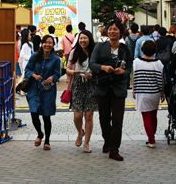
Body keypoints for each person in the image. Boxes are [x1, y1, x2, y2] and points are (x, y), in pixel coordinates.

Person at [89, 19, 132, 161]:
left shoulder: (125, 49)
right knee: (104, 118)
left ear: (121, 32)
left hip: (119, 88)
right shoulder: (100, 47)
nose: (112, 31)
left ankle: (114, 149)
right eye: (110, 29)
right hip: (103, 87)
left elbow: (129, 69)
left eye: (115, 29)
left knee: (118, 120)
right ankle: (107, 140)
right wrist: (103, 68)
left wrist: (123, 72)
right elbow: (92, 64)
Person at [24, 35, 61, 151]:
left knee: (46, 116)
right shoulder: (35, 56)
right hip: (34, 89)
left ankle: (47, 141)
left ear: (53, 45)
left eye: (50, 43)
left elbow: (58, 73)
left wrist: (53, 78)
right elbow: (27, 70)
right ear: (42, 44)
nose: (48, 45)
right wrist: (34, 75)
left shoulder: (56, 59)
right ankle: (40, 133)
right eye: (45, 42)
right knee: (33, 112)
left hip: (47, 91)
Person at [66, 30, 97, 153]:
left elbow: (99, 68)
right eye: (80, 38)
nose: (82, 41)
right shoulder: (74, 52)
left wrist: (93, 75)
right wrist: (73, 73)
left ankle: (86, 143)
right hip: (77, 84)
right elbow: (67, 69)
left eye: (85, 38)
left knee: (89, 115)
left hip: (91, 85)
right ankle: (80, 132)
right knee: (77, 116)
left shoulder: (95, 52)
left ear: (90, 39)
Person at [132, 40, 164, 148]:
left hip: (142, 92)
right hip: (155, 93)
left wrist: (134, 90)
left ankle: (151, 140)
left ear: (143, 49)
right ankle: (152, 136)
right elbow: (161, 80)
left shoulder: (136, 62)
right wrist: (162, 92)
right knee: (153, 115)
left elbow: (134, 77)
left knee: (146, 117)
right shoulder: (159, 63)